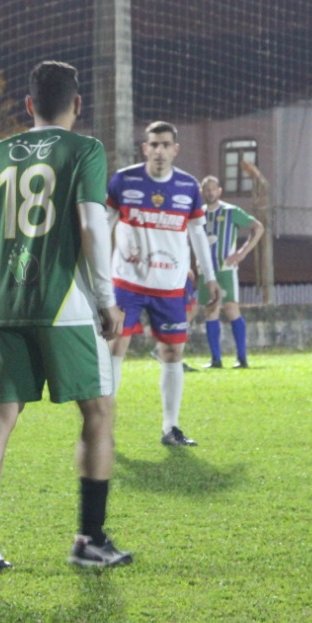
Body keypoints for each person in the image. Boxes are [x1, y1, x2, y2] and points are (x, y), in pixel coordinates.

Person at [0, 60, 129, 572]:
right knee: (98, 412)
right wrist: (106, 298)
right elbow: (93, 227)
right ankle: (90, 539)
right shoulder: (85, 149)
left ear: (28, 105)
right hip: (65, 306)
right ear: (78, 105)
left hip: (4, 305)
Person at [107, 121, 220, 447]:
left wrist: (209, 276)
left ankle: (171, 428)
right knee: (115, 349)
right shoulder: (124, 180)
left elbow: (197, 232)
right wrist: (99, 276)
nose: (159, 150)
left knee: (172, 353)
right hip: (126, 283)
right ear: (145, 148)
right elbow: (104, 224)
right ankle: (105, 429)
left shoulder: (187, 187)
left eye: (165, 144)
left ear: (175, 149)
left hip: (170, 285)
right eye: (153, 144)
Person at [198, 175, 265, 369]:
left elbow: (258, 228)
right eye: (206, 189)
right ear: (202, 193)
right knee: (210, 310)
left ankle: (242, 358)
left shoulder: (230, 211)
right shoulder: (198, 214)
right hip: (206, 271)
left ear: (219, 191)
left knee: (231, 308)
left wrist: (242, 252)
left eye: (213, 189)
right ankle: (215, 360)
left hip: (226, 269)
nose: (210, 192)